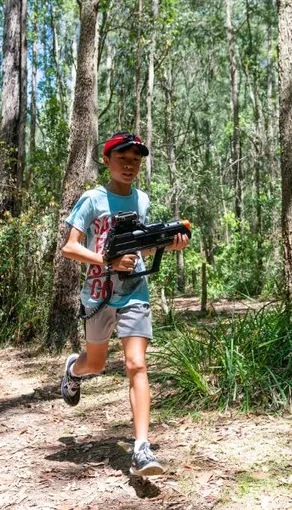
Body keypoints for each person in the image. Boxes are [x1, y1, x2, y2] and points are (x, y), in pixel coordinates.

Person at [58, 131, 189, 477]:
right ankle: (74, 369)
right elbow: (70, 247)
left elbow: (140, 245)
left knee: (136, 365)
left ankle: (141, 449)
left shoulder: (141, 200)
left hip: (135, 291)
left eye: (136, 161)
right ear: (107, 160)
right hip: (99, 294)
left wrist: (167, 245)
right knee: (96, 364)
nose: (130, 166)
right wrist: (107, 261)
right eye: (123, 159)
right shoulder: (91, 199)